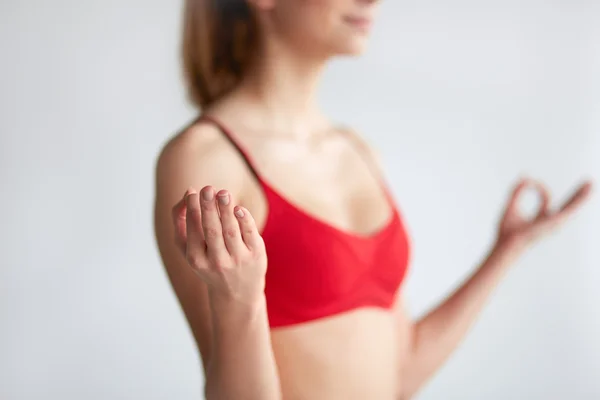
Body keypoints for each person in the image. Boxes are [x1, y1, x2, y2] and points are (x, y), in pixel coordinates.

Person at [153, 0, 593, 399]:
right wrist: (240, 302)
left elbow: (400, 373)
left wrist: (506, 251)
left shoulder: (358, 151)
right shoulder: (204, 159)